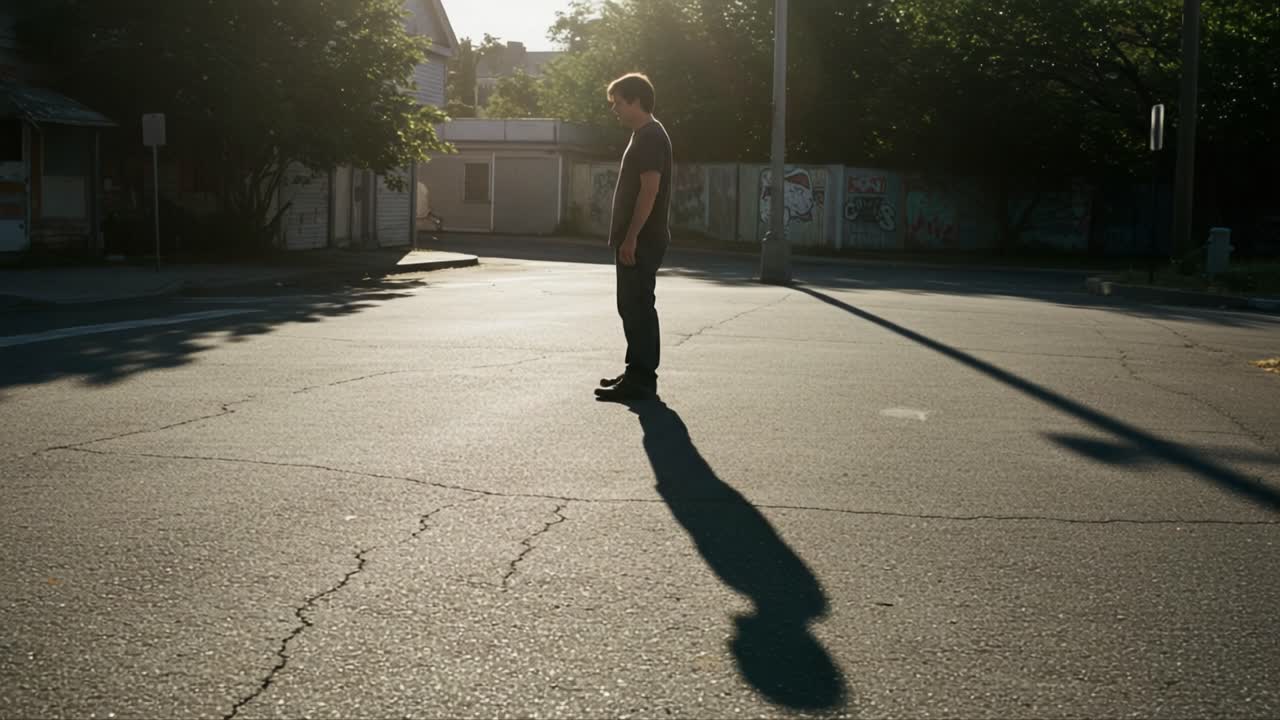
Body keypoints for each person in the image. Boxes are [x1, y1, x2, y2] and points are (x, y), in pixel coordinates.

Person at [595, 72, 673, 403]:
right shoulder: (644, 135)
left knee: (638, 305)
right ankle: (635, 372)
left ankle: (642, 379)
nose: (615, 110)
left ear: (636, 101)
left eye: (618, 103)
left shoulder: (651, 137)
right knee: (632, 305)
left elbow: (650, 190)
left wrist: (631, 238)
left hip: (642, 239)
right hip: (639, 238)